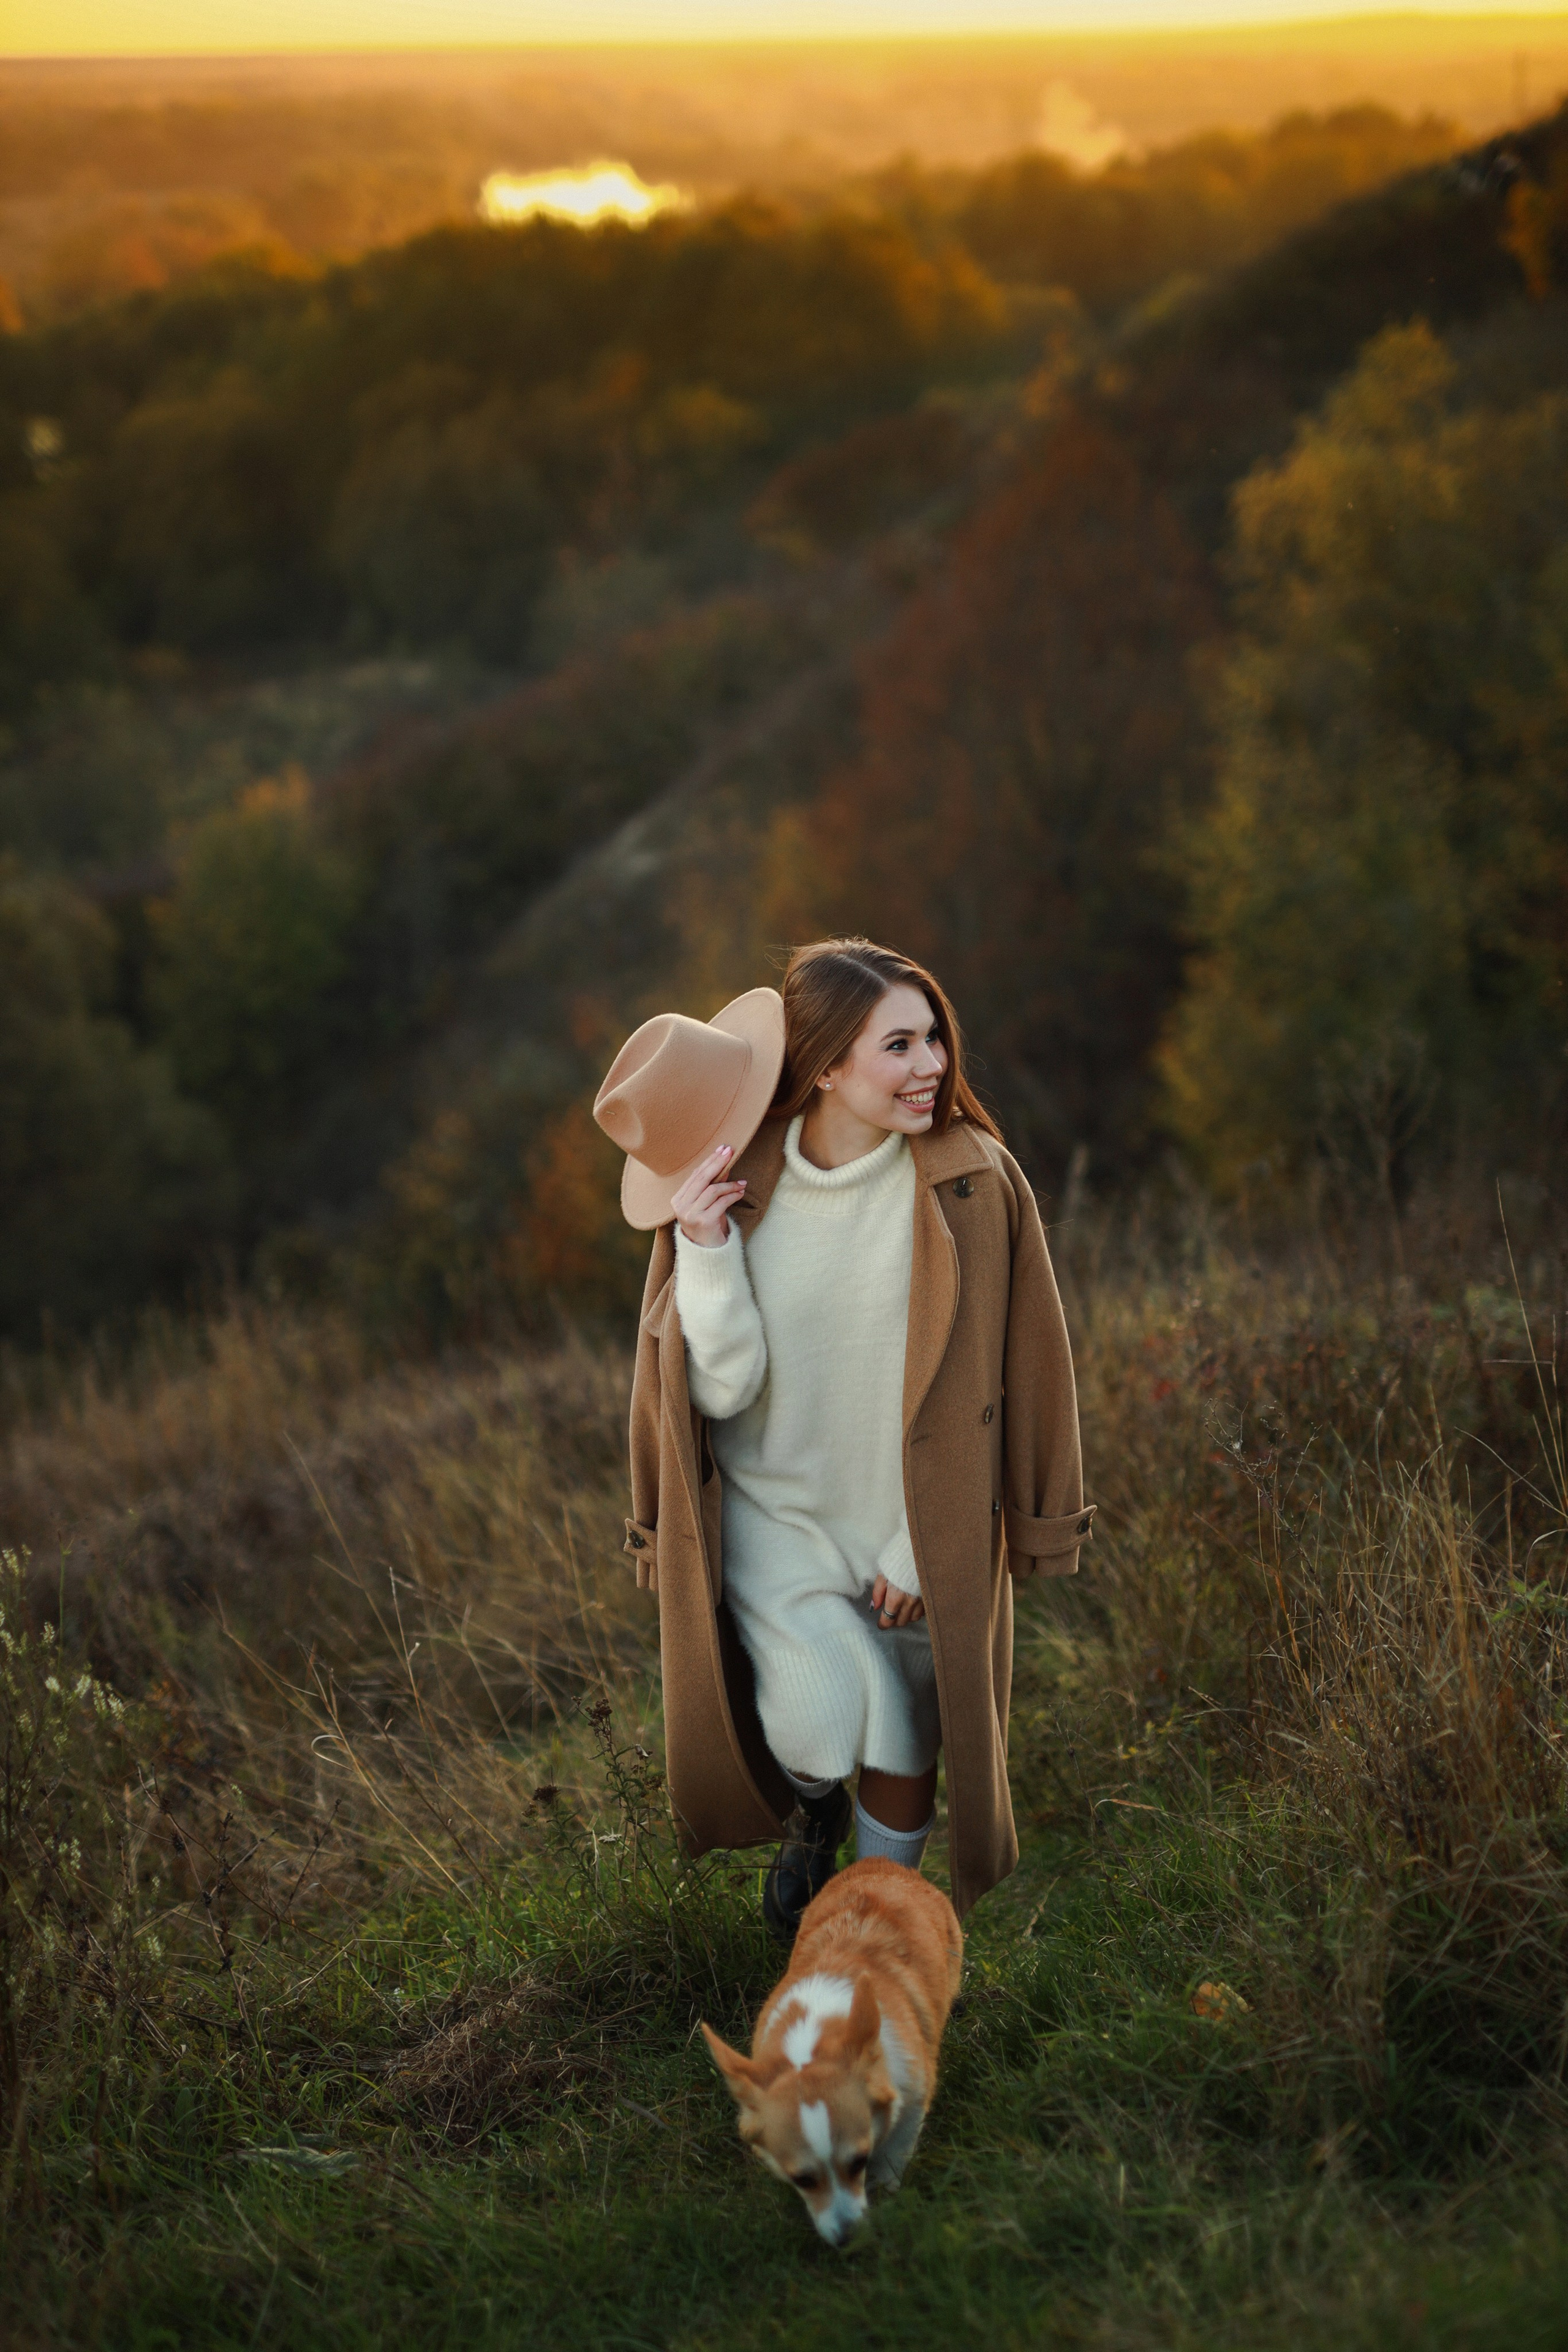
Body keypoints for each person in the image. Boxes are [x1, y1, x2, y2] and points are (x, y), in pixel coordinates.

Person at [593, 938, 1091, 1939]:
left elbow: (1030, 1365)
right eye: (898, 1045)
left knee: (909, 1735)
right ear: (823, 1066)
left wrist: (941, 1540)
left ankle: (868, 1940)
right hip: (782, 1520)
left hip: (916, 1521)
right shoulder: (739, 1196)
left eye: (934, 1037)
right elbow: (719, 1390)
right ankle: (815, 1808)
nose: (932, 1065)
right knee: (821, 1725)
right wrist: (706, 1250)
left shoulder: (974, 1184)